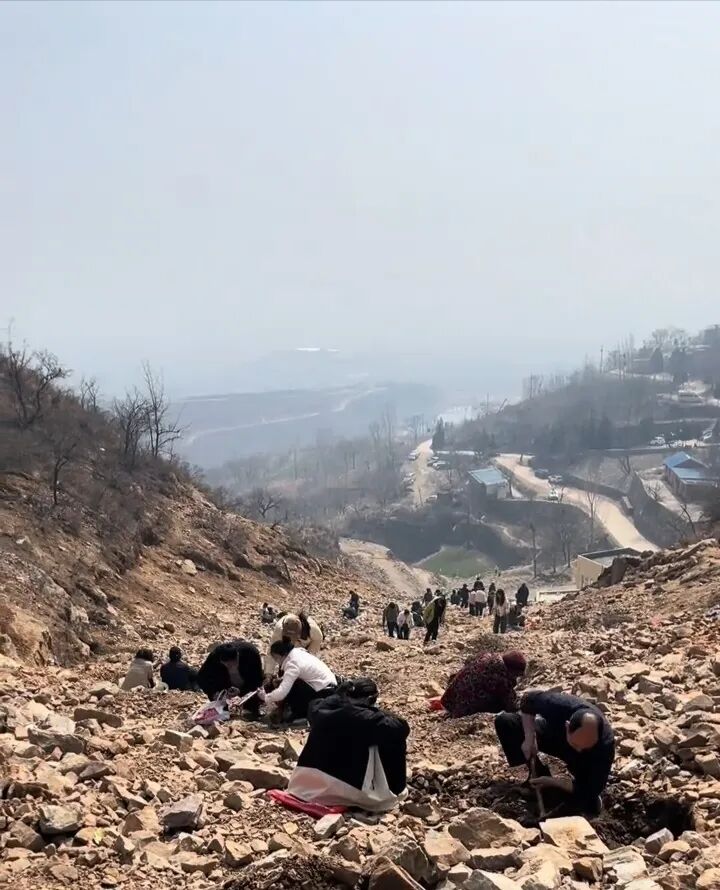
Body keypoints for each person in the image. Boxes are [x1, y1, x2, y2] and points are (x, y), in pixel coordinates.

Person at [287, 679, 410, 813]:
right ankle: (393, 788)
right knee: (392, 738)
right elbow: (402, 727)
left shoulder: (320, 709)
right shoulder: (369, 718)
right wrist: (377, 710)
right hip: (348, 790)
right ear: (370, 699)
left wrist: (336, 695)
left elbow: (318, 704)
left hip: (305, 784)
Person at [494, 691, 615, 816]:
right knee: (506, 722)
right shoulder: (560, 705)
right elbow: (527, 700)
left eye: (586, 746)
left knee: (587, 797)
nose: (579, 749)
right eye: (576, 745)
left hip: (584, 761)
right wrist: (530, 737)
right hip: (555, 737)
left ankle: (563, 787)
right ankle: (537, 774)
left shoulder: (605, 745)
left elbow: (593, 789)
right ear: (567, 726)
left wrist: (553, 782)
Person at [260, 639, 337, 720]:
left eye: (276, 658)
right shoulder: (298, 652)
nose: (277, 661)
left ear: (282, 655)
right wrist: (282, 679)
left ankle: (300, 714)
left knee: (291, 687)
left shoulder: (292, 664)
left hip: (324, 692)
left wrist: (265, 697)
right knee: (286, 682)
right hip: (328, 686)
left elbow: (282, 692)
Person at [439, 651, 526, 718]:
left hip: (449, 701)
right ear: (511, 670)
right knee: (501, 707)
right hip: (463, 712)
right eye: (516, 674)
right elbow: (510, 705)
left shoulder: (487, 656)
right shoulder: (500, 677)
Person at [196, 640, 264, 715]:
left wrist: (242, 691)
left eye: (234, 663)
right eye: (228, 665)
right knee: (223, 708)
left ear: (237, 655)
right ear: (221, 661)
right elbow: (201, 678)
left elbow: (257, 679)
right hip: (225, 689)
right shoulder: (214, 658)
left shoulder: (250, 653)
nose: (232, 666)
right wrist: (214, 692)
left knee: (254, 700)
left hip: (247, 683)